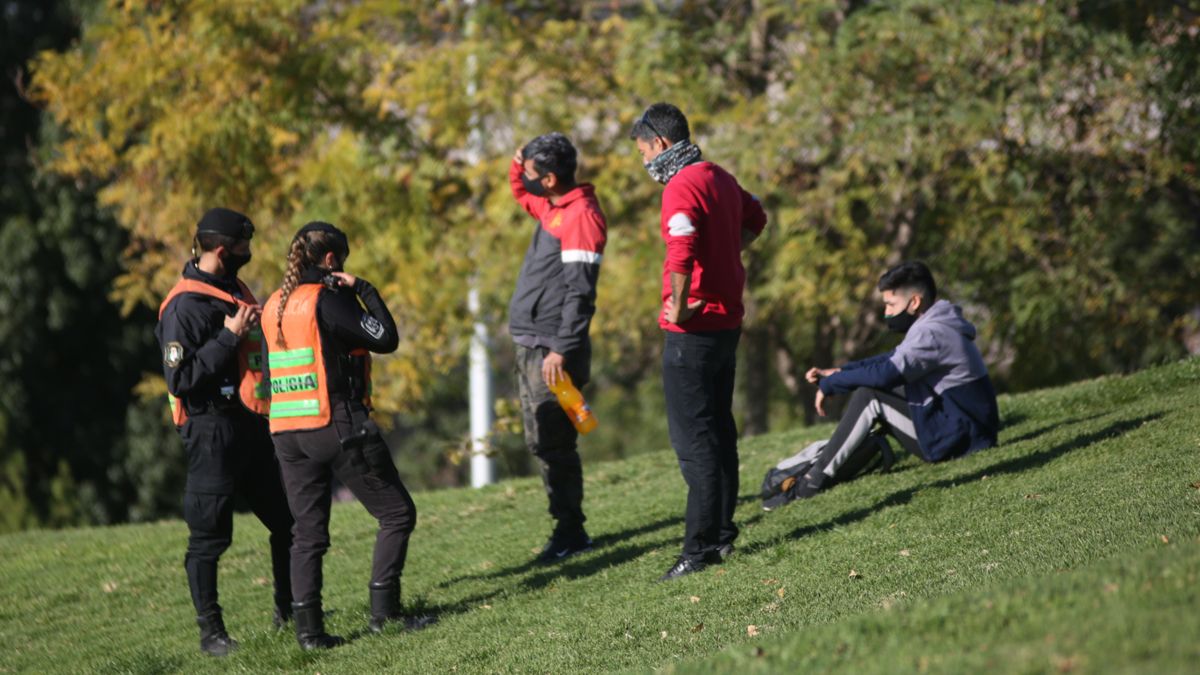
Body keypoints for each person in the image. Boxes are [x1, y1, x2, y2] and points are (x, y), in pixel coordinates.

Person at [261, 221, 422, 650]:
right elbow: (385, 338)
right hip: (337, 426)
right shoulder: (327, 301)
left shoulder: (273, 303)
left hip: (286, 432)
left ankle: (309, 634)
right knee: (396, 514)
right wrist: (363, 289)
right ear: (332, 260)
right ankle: (384, 615)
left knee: (307, 535)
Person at [629, 103, 767, 581]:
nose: (644, 159)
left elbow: (680, 250)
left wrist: (683, 303)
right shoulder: (719, 176)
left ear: (662, 144)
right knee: (719, 432)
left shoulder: (682, 185)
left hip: (694, 331)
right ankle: (722, 535)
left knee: (695, 443)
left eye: (644, 149)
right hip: (726, 324)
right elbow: (756, 217)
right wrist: (728, 252)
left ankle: (698, 549)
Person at [155, 207, 294, 657]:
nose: (248, 254)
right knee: (210, 538)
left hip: (250, 423)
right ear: (221, 250)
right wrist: (228, 337)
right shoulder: (184, 306)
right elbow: (181, 380)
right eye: (242, 248)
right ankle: (211, 634)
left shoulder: (233, 288)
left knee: (286, 521)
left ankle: (290, 612)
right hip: (210, 429)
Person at [797, 261, 1000, 499]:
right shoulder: (938, 322)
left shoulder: (931, 332)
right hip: (968, 430)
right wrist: (839, 372)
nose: (887, 313)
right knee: (878, 391)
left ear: (914, 302)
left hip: (961, 440)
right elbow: (890, 359)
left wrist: (832, 384)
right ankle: (835, 465)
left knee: (870, 396)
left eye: (891, 305)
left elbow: (885, 374)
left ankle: (811, 483)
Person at [508, 132, 608, 563]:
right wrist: (519, 164)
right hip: (533, 344)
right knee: (541, 439)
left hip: (552, 351)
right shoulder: (552, 206)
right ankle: (566, 528)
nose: (526, 180)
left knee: (555, 441)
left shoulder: (581, 216)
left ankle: (571, 531)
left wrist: (561, 350)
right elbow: (519, 191)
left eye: (531, 173)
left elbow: (580, 294)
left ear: (549, 179)